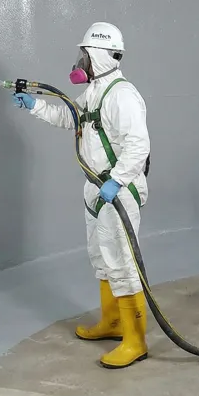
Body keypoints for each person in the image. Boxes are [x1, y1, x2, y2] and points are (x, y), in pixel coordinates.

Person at [13, 22, 152, 369]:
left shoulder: (122, 95)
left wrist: (117, 180)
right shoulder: (95, 91)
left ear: (102, 56)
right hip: (96, 188)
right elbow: (72, 117)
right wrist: (35, 107)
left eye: (85, 55)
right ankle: (113, 323)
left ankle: (135, 341)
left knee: (122, 263)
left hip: (118, 190)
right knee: (102, 259)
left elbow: (139, 146)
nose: (81, 62)